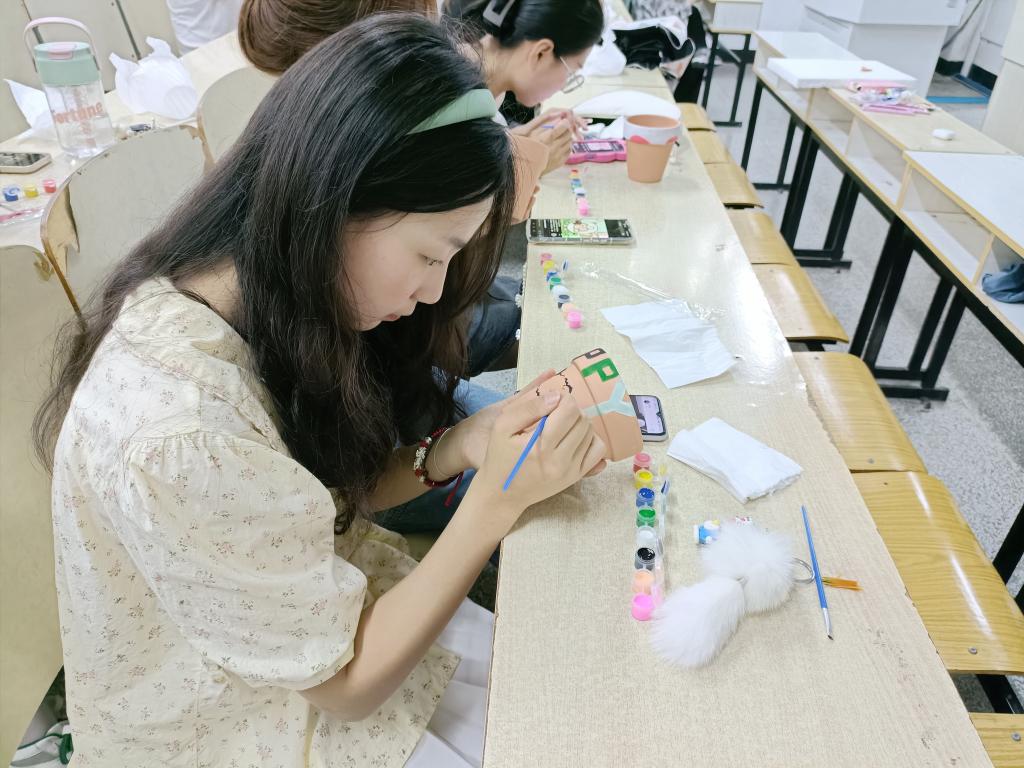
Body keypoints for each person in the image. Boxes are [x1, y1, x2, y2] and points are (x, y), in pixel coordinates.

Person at [35, 14, 606, 766]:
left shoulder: (248, 295)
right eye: (431, 255)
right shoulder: (182, 430)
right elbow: (346, 688)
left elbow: (324, 498)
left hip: (314, 625)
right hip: (240, 723)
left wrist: (461, 446)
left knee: (570, 694)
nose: (434, 291)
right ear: (337, 199)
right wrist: (495, 501)